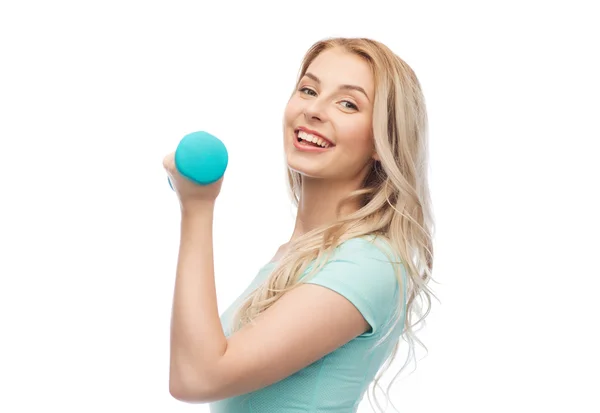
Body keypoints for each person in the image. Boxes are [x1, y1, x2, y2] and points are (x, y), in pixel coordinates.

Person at [163, 36, 436, 413]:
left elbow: (196, 377)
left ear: (381, 139)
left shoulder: (367, 263)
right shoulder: (295, 256)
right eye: (308, 90)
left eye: (348, 103)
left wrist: (196, 208)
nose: (315, 110)